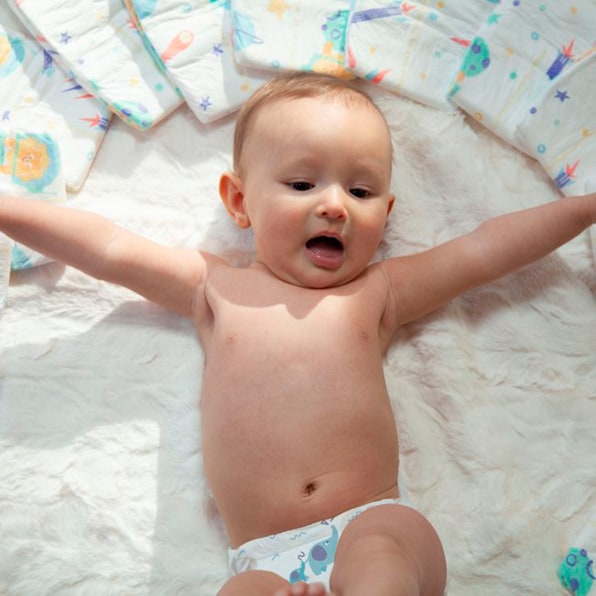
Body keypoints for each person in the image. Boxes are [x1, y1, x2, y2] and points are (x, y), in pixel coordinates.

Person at [1, 71, 594, 596]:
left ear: (385, 217)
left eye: (360, 192)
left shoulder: (377, 293)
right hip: (265, 559)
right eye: (302, 184)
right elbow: (106, 248)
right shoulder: (214, 288)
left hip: (369, 520)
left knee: (386, 553)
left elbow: (483, 251)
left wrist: (583, 208)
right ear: (240, 201)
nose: (335, 205)